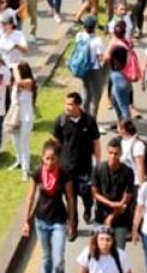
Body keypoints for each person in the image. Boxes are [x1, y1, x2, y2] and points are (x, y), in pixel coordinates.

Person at [21, 138, 75, 273]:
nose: (50, 162)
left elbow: (70, 199)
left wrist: (71, 221)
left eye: (53, 159)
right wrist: (26, 221)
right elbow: (31, 197)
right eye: (47, 159)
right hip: (41, 221)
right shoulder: (37, 173)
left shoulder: (64, 175)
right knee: (46, 258)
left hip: (59, 221)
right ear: (42, 158)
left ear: (58, 159)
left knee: (59, 260)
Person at [52, 91, 101, 230]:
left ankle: (88, 208)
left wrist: (97, 163)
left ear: (78, 105)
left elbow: (96, 143)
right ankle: (73, 225)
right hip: (66, 168)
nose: (66, 107)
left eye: (70, 104)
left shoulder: (89, 121)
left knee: (86, 194)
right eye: (65, 104)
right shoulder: (60, 121)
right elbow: (56, 143)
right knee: (70, 198)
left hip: (84, 168)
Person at [90, 138, 135, 250]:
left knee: (119, 253)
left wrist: (112, 216)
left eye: (116, 153)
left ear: (121, 154)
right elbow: (95, 193)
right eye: (110, 153)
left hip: (120, 219)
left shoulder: (128, 172)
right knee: (96, 251)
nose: (113, 156)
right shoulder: (98, 169)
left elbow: (127, 198)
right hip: (100, 217)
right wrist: (111, 204)